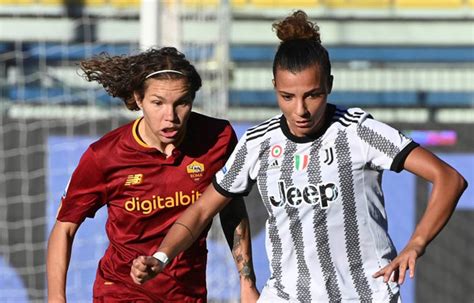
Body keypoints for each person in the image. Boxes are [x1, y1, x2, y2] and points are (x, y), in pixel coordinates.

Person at [129, 10, 468, 303]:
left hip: (363, 294)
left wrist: (416, 244)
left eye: (313, 95)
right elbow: (204, 208)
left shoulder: (358, 131)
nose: (300, 109)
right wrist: (162, 255)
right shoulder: (258, 142)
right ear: (274, 87)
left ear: (330, 85)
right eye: (287, 96)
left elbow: (449, 179)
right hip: (288, 295)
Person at [46, 47, 259, 302]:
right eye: (158, 103)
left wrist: (247, 283)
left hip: (186, 293)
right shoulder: (104, 156)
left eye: (181, 103)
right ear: (138, 99)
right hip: (121, 290)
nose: (170, 117)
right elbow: (65, 227)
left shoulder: (218, 139)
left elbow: (231, 210)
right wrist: (56, 298)